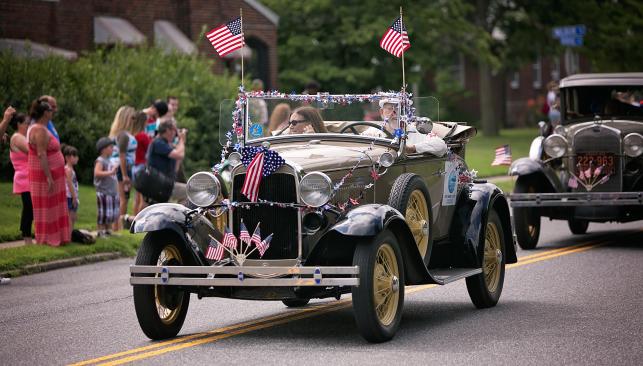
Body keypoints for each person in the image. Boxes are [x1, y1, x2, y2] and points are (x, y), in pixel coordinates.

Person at [27, 98, 70, 246]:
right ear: (45, 113)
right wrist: (49, 177)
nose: (53, 113)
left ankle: (58, 235)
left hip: (53, 173)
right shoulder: (39, 130)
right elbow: (41, 154)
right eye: (51, 110)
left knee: (54, 205)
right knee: (47, 206)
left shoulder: (41, 128)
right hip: (45, 174)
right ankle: (47, 237)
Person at [362, 98, 447, 156]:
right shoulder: (373, 131)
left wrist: (413, 148)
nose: (394, 113)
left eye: (399, 109)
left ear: (406, 113)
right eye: (389, 108)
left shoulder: (416, 130)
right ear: (381, 112)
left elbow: (441, 146)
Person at [108, 106, 138, 230]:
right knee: (122, 198)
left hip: (123, 168)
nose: (133, 120)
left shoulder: (124, 134)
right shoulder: (124, 136)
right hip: (121, 169)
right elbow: (122, 156)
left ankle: (117, 225)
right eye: (132, 117)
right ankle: (117, 226)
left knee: (123, 198)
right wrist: (125, 175)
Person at [147, 120, 187, 202]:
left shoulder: (166, 144)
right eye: (174, 130)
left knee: (188, 193)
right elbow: (180, 155)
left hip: (167, 184)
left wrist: (181, 142)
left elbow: (176, 167)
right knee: (190, 192)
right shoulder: (158, 143)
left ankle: (179, 213)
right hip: (160, 185)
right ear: (168, 130)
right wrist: (182, 140)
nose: (175, 133)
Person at [9, 112, 33, 245]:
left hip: (28, 177)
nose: (28, 125)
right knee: (29, 207)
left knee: (30, 208)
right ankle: (27, 238)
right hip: (24, 177)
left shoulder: (22, 137)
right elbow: (32, 151)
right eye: (26, 123)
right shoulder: (18, 137)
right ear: (18, 124)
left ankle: (27, 235)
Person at [94, 137, 119, 236]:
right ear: (103, 149)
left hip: (111, 192)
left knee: (110, 213)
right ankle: (100, 231)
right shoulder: (100, 160)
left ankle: (108, 230)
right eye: (111, 147)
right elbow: (97, 173)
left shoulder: (109, 160)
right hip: (103, 192)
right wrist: (111, 172)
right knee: (103, 213)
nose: (113, 149)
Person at [132, 111, 150, 215]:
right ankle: (140, 219)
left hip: (134, 166)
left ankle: (134, 218)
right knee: (143, 199)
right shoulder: (143, 136)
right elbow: (149, 151)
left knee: (136, 197)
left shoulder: (133, 135)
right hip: (142, 166)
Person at [63, 144, 79, 235]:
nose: (77, 158)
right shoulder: (68, 169)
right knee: (70, 217)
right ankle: (68, 236)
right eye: (75, 156)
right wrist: (74, 197)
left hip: (72, 196)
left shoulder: (71, 169)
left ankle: (70, 234)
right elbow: (69, 184)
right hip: (69, 196)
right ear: (67, 157)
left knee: (73, 217)